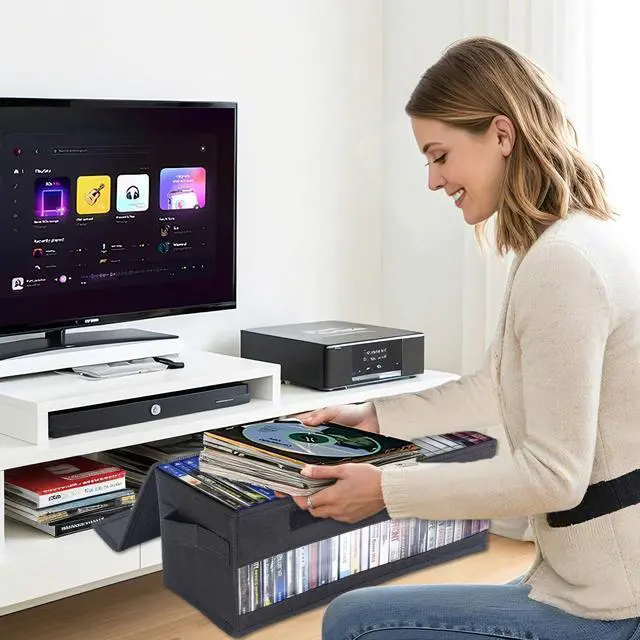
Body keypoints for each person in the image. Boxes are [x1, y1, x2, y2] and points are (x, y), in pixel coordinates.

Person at [292, 36, 640, 640]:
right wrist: (376, 419)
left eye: (439, 155)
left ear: (501, 135)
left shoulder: (564, 264)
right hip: (585, 576)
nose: (433, 180)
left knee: (352, 622)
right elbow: (495, 387)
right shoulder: (573, 240)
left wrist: (386, 490)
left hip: (613, 604)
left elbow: (554, 477)